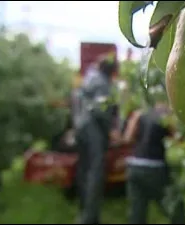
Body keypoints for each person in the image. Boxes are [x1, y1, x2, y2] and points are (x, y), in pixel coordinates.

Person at [121, 102, 185, 224]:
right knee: (176, 208)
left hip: (134, 167)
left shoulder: (139, 114)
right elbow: (179, 139)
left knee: (137, 213)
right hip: (154, 168)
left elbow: (128, 138)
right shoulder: (165, 117)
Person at [73, 52, 119, 224]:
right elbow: (101, 110)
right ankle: (89, 218)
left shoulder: (89, 77)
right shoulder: (102, 83)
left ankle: (83, 211)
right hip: (93, 129)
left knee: (84, 170)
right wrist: (110, 131)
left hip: (80, 126)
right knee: (95, 172)